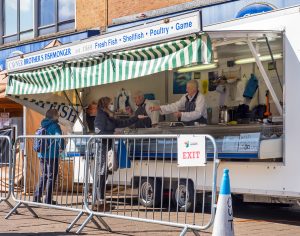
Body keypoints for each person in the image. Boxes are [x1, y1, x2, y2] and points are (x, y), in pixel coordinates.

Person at [93, 96, 145, 211]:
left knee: (104, 172)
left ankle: (100, 199)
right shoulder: (101, 116)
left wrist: (136, 118)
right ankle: (99, 200)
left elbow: (121, 122)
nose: (112, 105)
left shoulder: (108, 116)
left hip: (107, 146)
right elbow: (99, 131)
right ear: (105, 105)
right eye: (111, 103)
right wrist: (112, 134)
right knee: (102, 172)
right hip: (102, 146)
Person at [34, 109, 65, 204]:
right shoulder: (55, 125)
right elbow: (59, 137)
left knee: (44, 176)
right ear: (54, 116)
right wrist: (62, 147)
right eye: (58, 115)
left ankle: (36, 197)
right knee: (51, 177)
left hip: (41, 154)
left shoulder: (42, 124)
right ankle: (48, 200)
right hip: (52, 155)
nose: (59, 116)